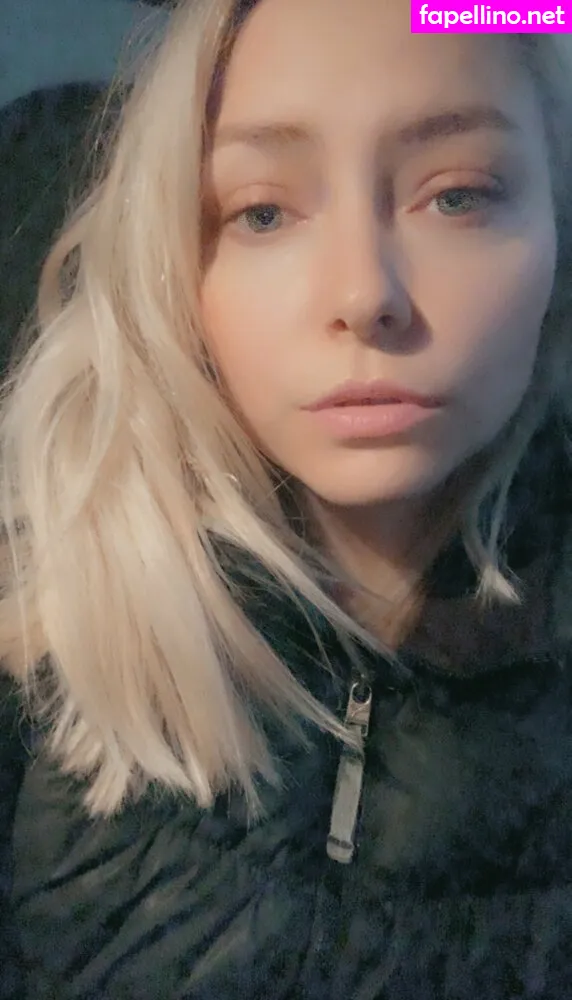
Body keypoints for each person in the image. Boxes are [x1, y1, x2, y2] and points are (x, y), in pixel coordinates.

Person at [1, 0, 572, 995]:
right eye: (261, 212)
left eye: (457, 195)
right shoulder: (37, 614)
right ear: (176, 265)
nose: (364, 294)